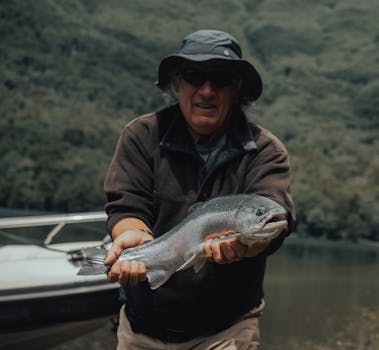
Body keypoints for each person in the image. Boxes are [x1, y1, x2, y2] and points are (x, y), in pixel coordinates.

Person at [103, 29, 295, 349]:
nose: (206, 90)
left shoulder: (265, 151)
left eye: (220, 79)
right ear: (177, 84)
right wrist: (131, 233)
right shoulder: (141, 135)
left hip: (225, 331)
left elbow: (277, 212)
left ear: (236, 89)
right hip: (141, 330)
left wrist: (248, 246)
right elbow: (126, 205)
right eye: (194, 75)